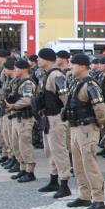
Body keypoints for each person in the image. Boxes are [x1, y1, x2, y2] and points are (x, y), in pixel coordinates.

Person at [63, 54, 105, 209]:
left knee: (89, 164)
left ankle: (98, 199)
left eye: (73, 65)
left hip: (87, 128)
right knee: (78, 164)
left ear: (82, 66)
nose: (70, 67)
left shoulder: (90, 85)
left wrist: (99, 123)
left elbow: (101, 109)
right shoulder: (76, 83)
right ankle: (84, 195)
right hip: (76, 128)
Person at [36, 48, 72, 197]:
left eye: (40, 58)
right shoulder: (46, 75)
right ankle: (53, 179)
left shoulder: (56, 75)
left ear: (47, 59)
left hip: (57, 117)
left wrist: (65, 116)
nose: (37, 60)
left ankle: (64, 183)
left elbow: (65, 98)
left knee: (59, 151)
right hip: (48, 118)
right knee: (49, 151)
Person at [6, 57, 38, 183]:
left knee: (24, 145)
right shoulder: (17, 81)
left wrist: (13, 106)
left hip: (24, 118)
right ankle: (23, 168)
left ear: (24, 69)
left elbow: (27, 100)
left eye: (17, 68)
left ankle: (30, 171)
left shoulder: (27, 83)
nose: (15, 70)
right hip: (16, 117)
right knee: (16, 145)